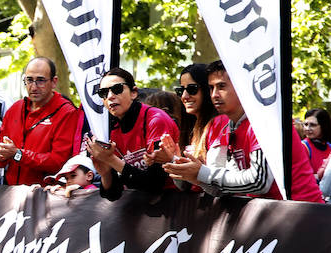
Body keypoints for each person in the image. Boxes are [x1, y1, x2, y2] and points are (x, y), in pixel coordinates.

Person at [163, 60, 324, 202]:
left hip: (301, 214)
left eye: (221, 86)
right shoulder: (231, 127)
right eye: (211, 88)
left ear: (242, 87)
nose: (214, 95)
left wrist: (203, 174)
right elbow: (230, 187)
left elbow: (258, 181)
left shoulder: (263, 121)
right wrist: (195, 177)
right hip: (271, 216)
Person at [83, 67, 180, 200]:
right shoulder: (109, 129)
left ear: (134, 92)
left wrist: (111, 160)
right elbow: (112, 195)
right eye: (104, 93)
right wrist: (105, 174)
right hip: (138, 208)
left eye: (117, 89)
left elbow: (155, 184)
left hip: (173, 203)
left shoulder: (156, 120)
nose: (110, 96)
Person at [0, 56, 81, 185]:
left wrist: (18, 154)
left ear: (54, 82)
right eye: (29, 80)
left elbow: (58, 162)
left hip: (46, 195)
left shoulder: (67, 112)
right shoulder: (15, 108)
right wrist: (0, 153)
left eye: (40, 80)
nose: (33, 87)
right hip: (12, 193)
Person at [302, 108, 330, 179]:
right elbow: (303, 177)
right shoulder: (303, 147)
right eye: (305, 124)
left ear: (323, 126)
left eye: (313, 125)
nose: (307, 128)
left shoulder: (329, 147)